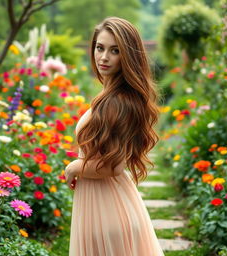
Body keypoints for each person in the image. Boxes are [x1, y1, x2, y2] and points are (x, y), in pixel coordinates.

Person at [65, 16, 165, 256]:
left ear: (128, 57)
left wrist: (74, 167)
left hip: (107, 210)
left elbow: (114, 167)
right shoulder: (112, 96)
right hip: (104, 203)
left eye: (115, 51)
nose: (104, 57)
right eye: (100, 48)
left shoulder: (118, 101)